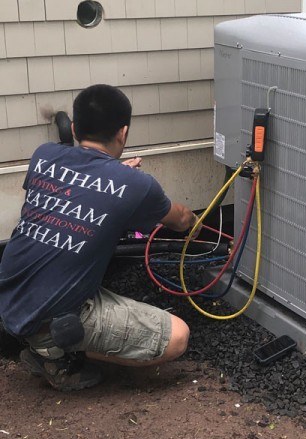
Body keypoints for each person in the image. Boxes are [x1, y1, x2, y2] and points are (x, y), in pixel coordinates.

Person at [0, 84, 200, 392]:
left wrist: (119, 178)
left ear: (76, 128)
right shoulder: (136, 185)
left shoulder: (44, 154)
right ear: (123, 133)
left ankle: (45, 337)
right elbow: (180, 219)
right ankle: (53, 353)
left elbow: (80, 188)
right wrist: (195, 224)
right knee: (177, 336)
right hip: (47, 312)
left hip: (11, 290)